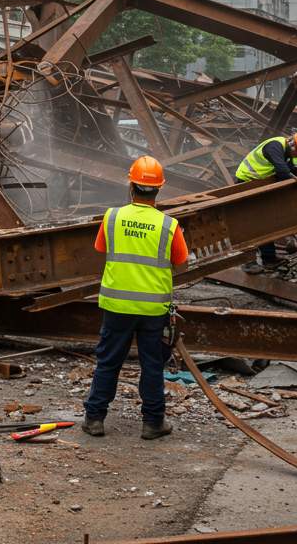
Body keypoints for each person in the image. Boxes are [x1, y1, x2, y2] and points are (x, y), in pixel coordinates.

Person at [82, 156, 189, 441]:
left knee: (108, 363)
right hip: (153, 308)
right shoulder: (169, 225)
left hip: (117, 305)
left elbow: (101, 247)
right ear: (158, 189)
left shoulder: (112, 217)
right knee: (152, 365)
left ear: (131, 185)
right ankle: (153, 423)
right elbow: (181, 261)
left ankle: (94, 419)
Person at [233, 131, 297, 272]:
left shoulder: (288, 152)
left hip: (260, 185)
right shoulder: (274, 146)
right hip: (246, 183)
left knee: (265, 222)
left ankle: (269, 259)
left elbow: (290, 169)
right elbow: (283, 171)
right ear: (293, 146)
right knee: (250, 222)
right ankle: (249, 262)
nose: (296, 157)